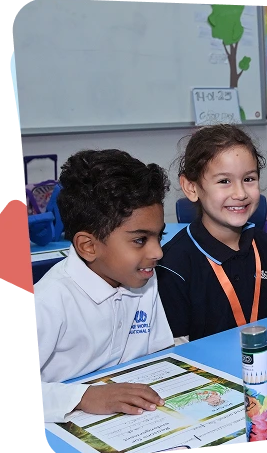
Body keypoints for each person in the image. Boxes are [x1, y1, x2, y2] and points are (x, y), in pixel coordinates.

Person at [36, 149, 175, 423]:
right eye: (140, 240)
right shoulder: (47, 300)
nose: (158, 252)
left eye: (159, 236)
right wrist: (83, 397)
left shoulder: (143, 279)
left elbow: (160, 353)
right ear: (88, 246)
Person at [156, 124, 267, 343]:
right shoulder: (173, 265)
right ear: (191, 187)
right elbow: (175, 350)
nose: (240, 193)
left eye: (249, 179)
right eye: (224, 181)